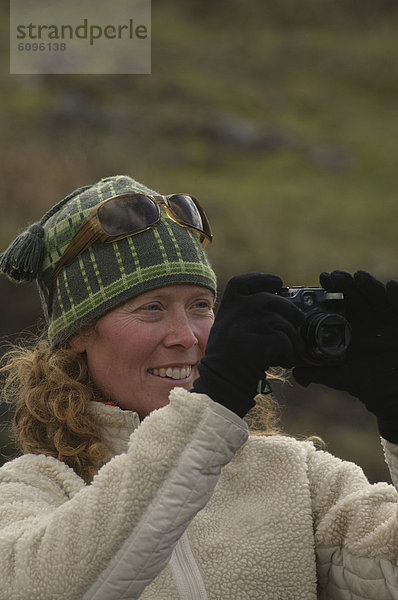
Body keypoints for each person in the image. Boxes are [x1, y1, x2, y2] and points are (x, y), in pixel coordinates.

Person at [0, 174, 398, 600]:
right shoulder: (28, 492)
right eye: (152, 308)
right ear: (78, 334)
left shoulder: (299, 477)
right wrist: (212, 406)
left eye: (200, 306)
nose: (186, 336)